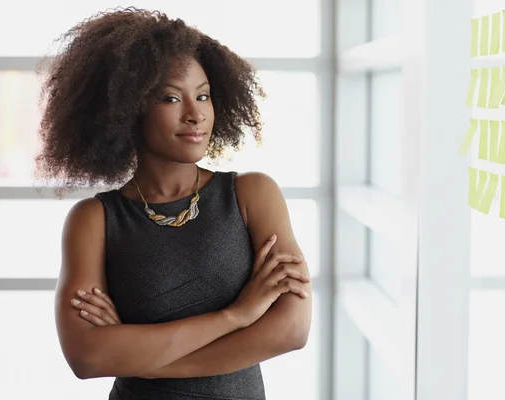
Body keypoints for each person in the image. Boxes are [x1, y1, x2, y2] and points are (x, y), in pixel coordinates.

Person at [38, 7, 312, 400]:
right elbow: (87, 357)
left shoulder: (252, 195)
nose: (195, 114)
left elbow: (292, 330)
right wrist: (236, 317)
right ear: (127, 109)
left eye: (203, 95)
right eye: (170, 98)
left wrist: (142, 360)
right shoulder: (94, 219)